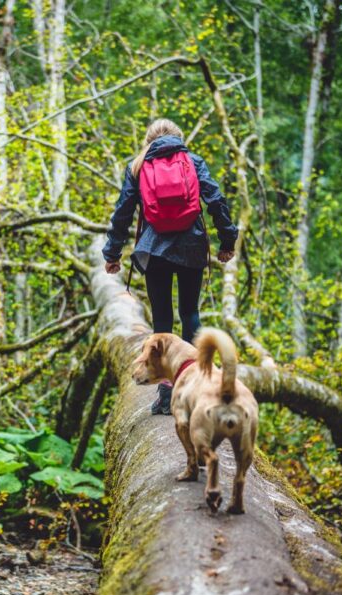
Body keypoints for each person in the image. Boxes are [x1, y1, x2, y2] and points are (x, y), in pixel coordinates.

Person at [102, 118, 238, 415]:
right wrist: (227, 240)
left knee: (162, 320)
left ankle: (166, 396)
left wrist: (112, 253)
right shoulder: (192, 161)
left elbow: (122, 213)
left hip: (154, 250)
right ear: (179, 137)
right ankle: (199, 386)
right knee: (190, 313)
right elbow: (216, 200)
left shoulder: (137, 167)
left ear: (148, 140)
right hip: (192, 246)